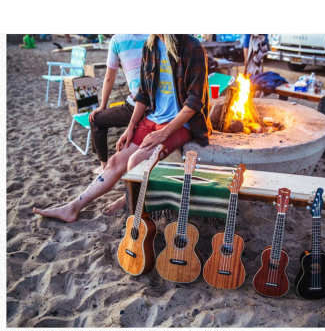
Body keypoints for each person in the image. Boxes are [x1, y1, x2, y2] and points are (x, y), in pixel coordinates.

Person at [33, 34, 211, 222]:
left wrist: (163, 134)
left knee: (135, 161)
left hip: (181, 123)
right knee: (115, 162)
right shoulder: (150, 46)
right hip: (153, 117)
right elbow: (142, 94)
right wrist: (131, 126)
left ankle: (134, 213)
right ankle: (72, 208)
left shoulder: (191, 47)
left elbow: (194, 102)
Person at [88, 34, 149, 174]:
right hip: (160, 105)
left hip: (136, 106)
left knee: (96, 120)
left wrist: (102, 106)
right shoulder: (154, 35)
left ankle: (104, 167)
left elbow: (109, 77)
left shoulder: (117, 40)